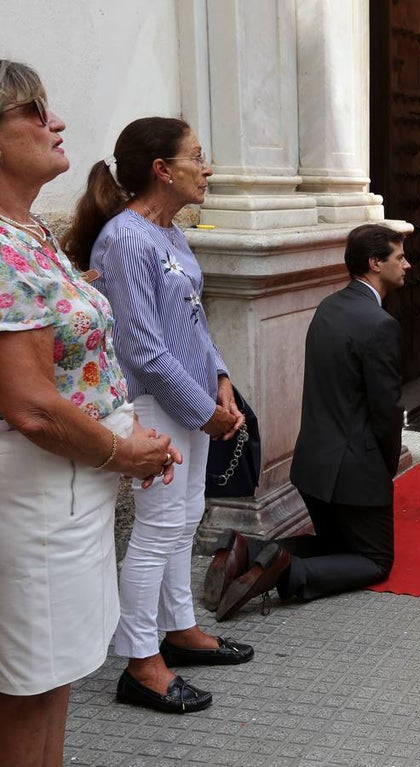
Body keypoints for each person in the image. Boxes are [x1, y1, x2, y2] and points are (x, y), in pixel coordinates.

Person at [0, 61, 179, 763]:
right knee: (29, 684)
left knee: (56, 670)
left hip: (69, 488)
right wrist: (121, 450)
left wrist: (123, 437)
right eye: (35, 112)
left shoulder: (28, 231)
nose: (57, 123)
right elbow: (31, 406)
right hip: (43, 487)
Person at [67, 116, 253, 714]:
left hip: (191, 401)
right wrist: (204, 412)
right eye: (198, 156)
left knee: (184, 517)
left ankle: (180, 630)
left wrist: (221, 377)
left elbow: (192, 321)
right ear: (162, 170)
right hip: (156, 402)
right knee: (157, 530)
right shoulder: (125, 238)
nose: (209, 168)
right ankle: (141, 663)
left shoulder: (169, 232)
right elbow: (142, 348)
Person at [211, 224, 410, 620]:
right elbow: (386, 414)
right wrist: (384, 470)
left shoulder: (328, 307)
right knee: (375, 561)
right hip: (354, 472)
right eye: (399, 257)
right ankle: (287, 574)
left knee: (336, 546)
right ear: (375, 263)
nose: (407, 264)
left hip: (312, 468)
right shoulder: (380, 324)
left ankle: (246, 550)